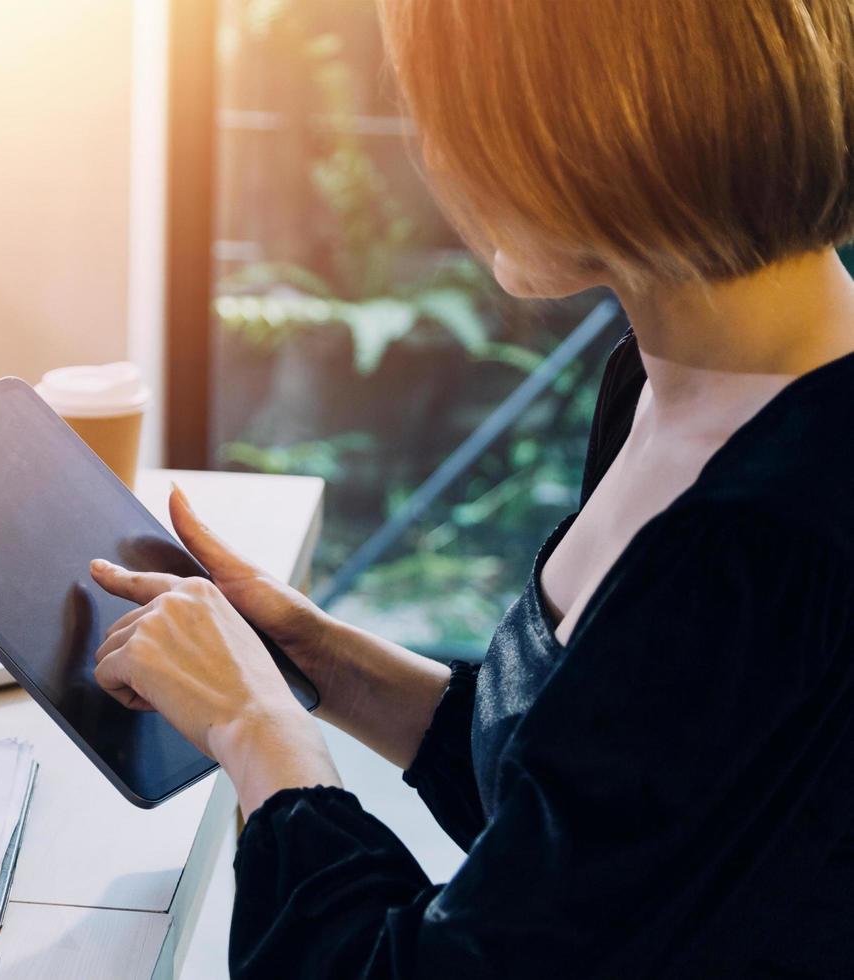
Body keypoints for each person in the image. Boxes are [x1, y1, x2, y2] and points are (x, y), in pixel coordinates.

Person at [83, 0, 854, 975]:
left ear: (585, 119)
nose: (437, 163)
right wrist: (312, 654)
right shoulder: (670, 388)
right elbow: (583, 809)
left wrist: (255, 729)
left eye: (447, 117)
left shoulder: (762, 543)